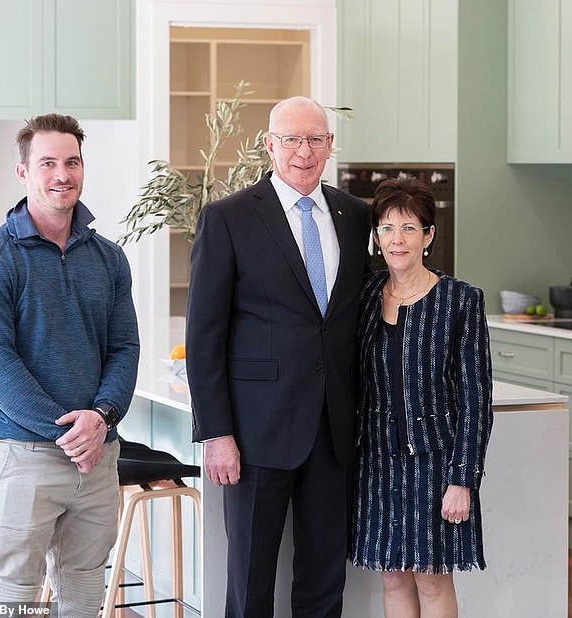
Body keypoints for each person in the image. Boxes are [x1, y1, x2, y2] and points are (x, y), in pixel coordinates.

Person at [186, 96, 372, 617]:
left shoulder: (355, 216)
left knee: (323, 579)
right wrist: (216, 432)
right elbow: (204, 336)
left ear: (330, 146)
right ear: (269, 145)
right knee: (250, 583)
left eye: (315, 139)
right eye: (291, 139)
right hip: (254, 433)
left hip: (334, 430)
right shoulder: (228, 218)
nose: (303, 151)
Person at [0, 114, 140, 617]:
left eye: (72, 162)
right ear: (23, 173)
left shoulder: (109, 258)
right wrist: (71, 433)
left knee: (84, 589)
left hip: (97, 454)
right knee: (11, 591)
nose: (63, 174)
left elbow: (125, 347)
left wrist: (101, 418)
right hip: (24, 454)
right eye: (48, 163)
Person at [349, 177, 494, 617]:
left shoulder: (459, 301)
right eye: (388, 227)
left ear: (428, 236)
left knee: (432, 578)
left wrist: (462, 480)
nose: (397, 239)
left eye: (409, 228)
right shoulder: (366, 294)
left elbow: (475, 400)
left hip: (436, 465)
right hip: (376, 463)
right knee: (392, 576)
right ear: (376, 236)